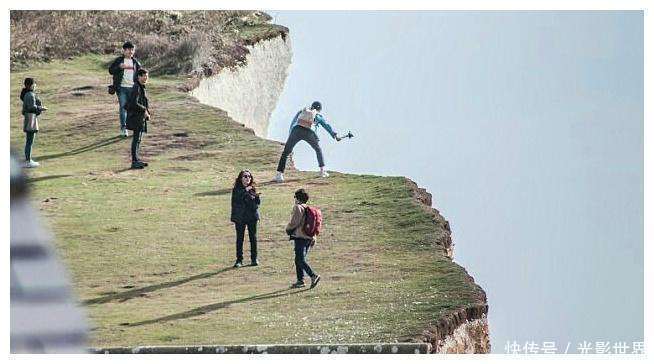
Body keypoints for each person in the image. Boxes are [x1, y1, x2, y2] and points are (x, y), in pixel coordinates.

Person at [274, 101, 341, 182]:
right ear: (319, 109)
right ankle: (322, 171)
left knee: (285, 153)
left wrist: (290, 135)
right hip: (309, 132)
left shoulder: (302, 111)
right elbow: (326, 125)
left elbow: (293, 122)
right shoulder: (317, 115)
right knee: (318, 149)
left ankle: (279, 175)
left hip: (296, 130)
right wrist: (334, 135)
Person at [285, 189, 321, 289]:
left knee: (300, 260)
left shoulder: (298, 207)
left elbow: (294, 222)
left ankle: (313, 275)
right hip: (309, 238)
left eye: (295, 197)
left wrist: (288, 229)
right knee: (298, 259)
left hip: (300, 237)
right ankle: (300, 280)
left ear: (298, 198)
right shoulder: (309, 209)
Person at [108, 41, 142, 137]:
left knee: (134, 109)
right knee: (123, 108)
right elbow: (110, 71)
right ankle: (124, 129)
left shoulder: (135, 62)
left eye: (132, 50)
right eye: (128, 50)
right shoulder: (119, 61)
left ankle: (135, 128)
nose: (130, 52)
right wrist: (119, 67)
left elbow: (141, 74)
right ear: (124, 51)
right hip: (121, 88)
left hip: (133, 89)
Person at [230, 170, 261, 268]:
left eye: (249, 177)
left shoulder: (252, 189)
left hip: (251, 217)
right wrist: (246, 191)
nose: (248, 178)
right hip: (240, 218)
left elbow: (257, 203)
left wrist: (256, 197)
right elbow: (237, 200)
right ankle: (239, 260)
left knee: (253, 238)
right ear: (241, 178)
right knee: (240, 239)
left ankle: (254, 259)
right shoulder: (237, 190)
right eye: (245, 176)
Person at [125, 69, 150, 169]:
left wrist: (147, 111)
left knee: (138, 139)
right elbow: (133, 103)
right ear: (138, 77)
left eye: (147, 76)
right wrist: (144, 110)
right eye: (143, 76)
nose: (145, 78)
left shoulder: (140, 87)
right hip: (136, 117)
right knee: (136, 139)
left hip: (139, 117)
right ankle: (134, 161)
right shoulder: (136, 87)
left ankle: (137, 159)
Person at [20, 78, 47, 168]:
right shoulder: (30, 95)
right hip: (31, 118)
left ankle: (28, 160)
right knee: (30, 141)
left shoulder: (27, 94)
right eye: (34, 84)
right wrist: (40, 108)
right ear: (30, 85)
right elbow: (32, 107)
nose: (35, 86)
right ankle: (28, 161)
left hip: (29, 118)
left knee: (29, 141)